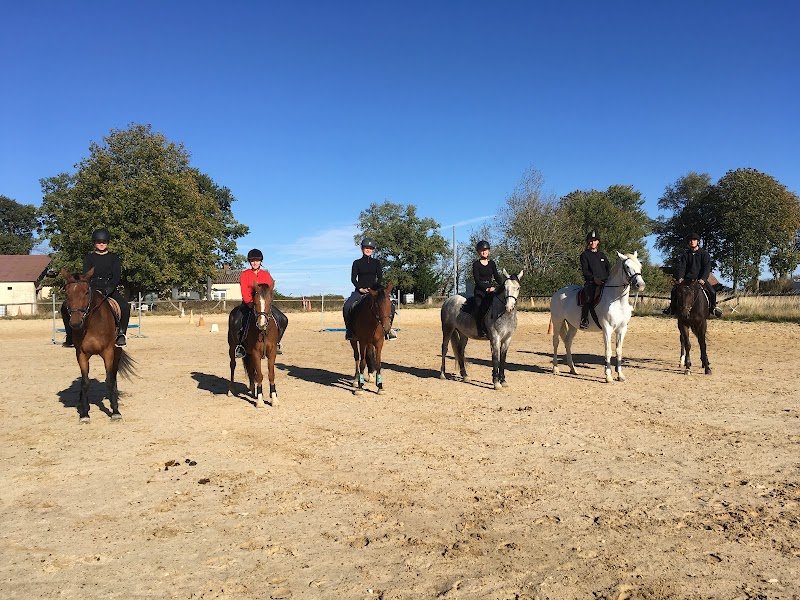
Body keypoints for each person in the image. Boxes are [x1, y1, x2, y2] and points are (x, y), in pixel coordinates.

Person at [61, 228, 130, 348]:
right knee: (64, 307)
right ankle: (70, 335)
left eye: (103, 242)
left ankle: (121, 333)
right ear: (95, 243)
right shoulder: (89, 258)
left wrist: (111, 287)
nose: (101, 244)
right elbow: (86, 275)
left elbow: (117, 275)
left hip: (109, 287)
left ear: (107, 242)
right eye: (98, 242)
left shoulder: (114, 257)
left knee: (124, 306)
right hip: (92, 286)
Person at [233, 248, 288, 359]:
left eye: (257, 260)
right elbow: (244, 290)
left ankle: (277, 343)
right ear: (249, 262)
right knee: (237, 321)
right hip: (249, 304)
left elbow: (270, 289)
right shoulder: (245, 274)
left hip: (264, 305)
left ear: (260, 261)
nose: (255, 263)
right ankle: (240, 346)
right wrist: (250, 302)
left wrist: (266, 301)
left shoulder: (266, 274)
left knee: (283, 319)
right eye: (252, 261)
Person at [343, 237, 395, 340]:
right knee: (347, 306)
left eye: (370, 248)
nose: (368, 249)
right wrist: (360, 288)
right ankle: (350, 331)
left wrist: (375, 289)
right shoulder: (356, 263)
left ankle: (388, 330)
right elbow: (353, 279)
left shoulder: (376, 262)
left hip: (375, 290)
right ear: (362, 248)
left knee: (391, 305)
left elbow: (380, 277)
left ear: (373, 250)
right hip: (360, 291)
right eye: (366, 247)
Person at [664, 233, 723, 318]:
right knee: (674, 290)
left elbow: (707, 268)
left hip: (700, 279)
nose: (692, 242)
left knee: (712, 292)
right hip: (687, 279)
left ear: (698, 242)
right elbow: (682, 267)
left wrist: (703, 278)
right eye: (690, 240)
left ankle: (713, 308)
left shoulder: (704, 254)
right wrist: (680, 278)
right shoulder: (685, 255)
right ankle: (671, 308)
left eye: (694, 240)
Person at [471, 240, 505, 338]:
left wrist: (504, 284)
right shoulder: (476, 264)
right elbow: (477, 280)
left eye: (485, 250)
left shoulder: (492, 264)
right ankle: (480, 329)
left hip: (491, 290)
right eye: (482, 250)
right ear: (478, 252)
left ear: (489, 251)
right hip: (480, 291)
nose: (484, 252)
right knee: (479, 306)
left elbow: (497, 277)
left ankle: (497, 327)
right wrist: (487, 288)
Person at [579, 229, 610, 330]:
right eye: (591, 241)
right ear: (588, 242)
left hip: (605, 282)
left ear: (598, 242)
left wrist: (607, 279)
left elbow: (608, 268)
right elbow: (585, 271)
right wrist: (593, 279)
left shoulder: (602, 256)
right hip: (591, 283)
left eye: (595, 240)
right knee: (588, 298)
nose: (593, 243)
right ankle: (584, 320)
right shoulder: (584, 255)